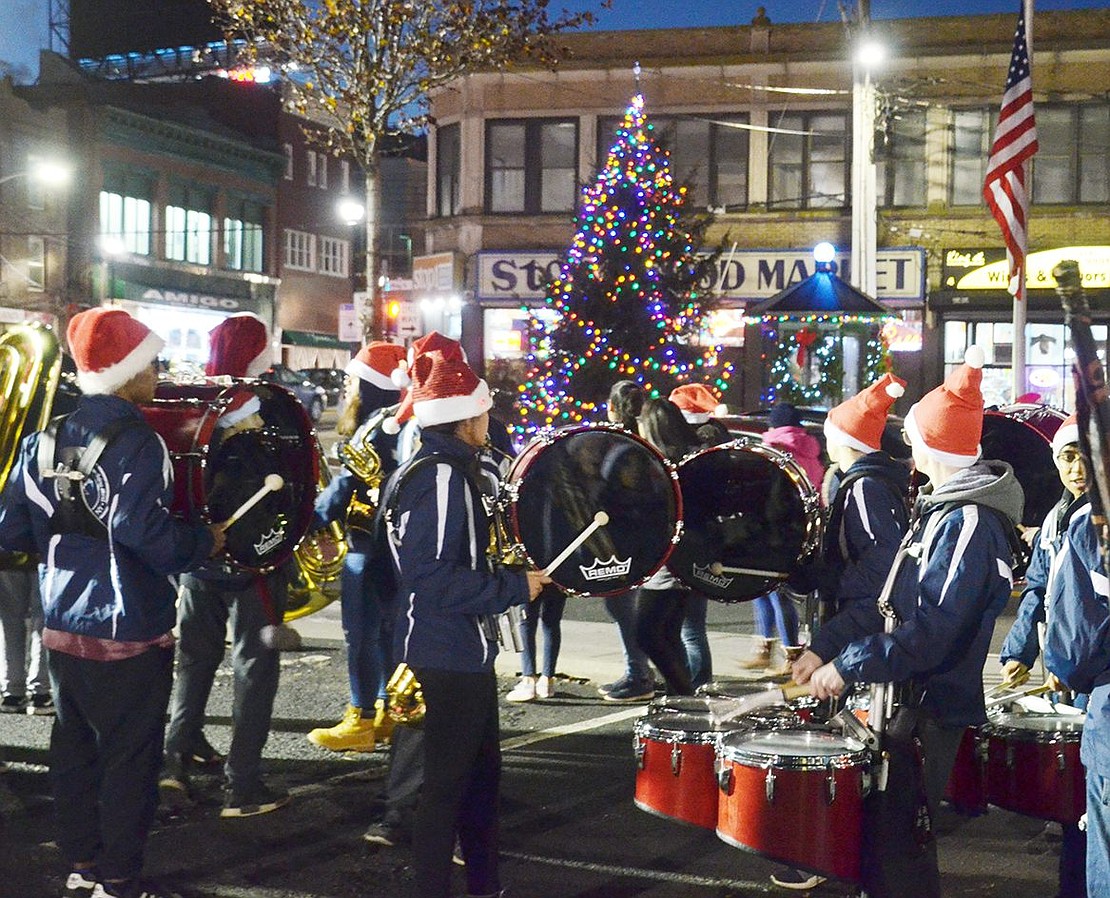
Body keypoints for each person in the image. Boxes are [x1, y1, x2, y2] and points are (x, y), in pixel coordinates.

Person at [0, 307, 223, 898]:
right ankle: (120, 878)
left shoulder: (40, 440)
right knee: (130, 758)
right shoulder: (138, 442)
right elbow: (143, 531)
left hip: (62, 621)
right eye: (150, 365)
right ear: (128, 372)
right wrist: (201, 541)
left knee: (73, 748)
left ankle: (81, 863)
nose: (156, 376)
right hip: (129, 626)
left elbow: (10, 533)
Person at [792, 348, 1023, 898]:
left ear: (934, 443)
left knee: (902, 853)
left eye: (916, 435)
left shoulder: (969, 521)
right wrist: (837, 651)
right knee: (888, 845)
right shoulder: (945, 510)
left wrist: (850, 663)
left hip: (931, 701)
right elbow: (894, 601)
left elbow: (936, 630)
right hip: (908, 695)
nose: (907, 445)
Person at [379, 347, 547, 898]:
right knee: (449, 789)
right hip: (444, 651)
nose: (488, 423)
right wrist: (512, 587)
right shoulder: (444, 476)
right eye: (483, 414)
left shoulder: (444, 468)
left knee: (475, 783)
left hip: (456, 650)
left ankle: (483, 885)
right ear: (466, 415)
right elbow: (431, 576)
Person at [770, 373, 910, 892]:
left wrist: (830, 589)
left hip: (861, 630)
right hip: (854, 628)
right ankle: (836, 854)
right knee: (852, 750)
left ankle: (831, 856)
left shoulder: (868, 487)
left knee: (850, 753)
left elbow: (884, 572)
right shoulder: (865, 481)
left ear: (842, 438)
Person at [161, 313, 294, 818]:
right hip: (252, 564)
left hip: (198, 557)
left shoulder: (196, 410)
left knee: (193, 662)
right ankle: (242, 784)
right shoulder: (260, 413)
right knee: (254, 668)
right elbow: (285, 488)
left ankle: (174, 762)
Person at [998, 412, 1088, 898]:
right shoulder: (1057, 516)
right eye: (1068, 457)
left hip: (1092, 670)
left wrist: (1072, 662)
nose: (1077, 468)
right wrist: (1021, 652)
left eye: (1086, 457)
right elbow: (1037, 588)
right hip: (1067, 665)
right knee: (1076, 772)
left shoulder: (1100, 518)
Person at [307, 341, 407, 752]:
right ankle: (385, 713)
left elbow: (343, 488)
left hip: (366, 548)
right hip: (394, 549)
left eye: (351, 381)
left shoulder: (371, 430)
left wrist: (309, 519)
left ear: (368, 386)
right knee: (386, 633)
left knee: (360, 635)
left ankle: (360, 717)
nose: (346, 389)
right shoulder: (400, 424)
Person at [740, 402, 824, 675]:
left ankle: (789, 653)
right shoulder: (809, 451)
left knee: (774, 590)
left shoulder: (775, 449)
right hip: (800, 526)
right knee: (765, 588)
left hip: (775, 527)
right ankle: (766, 649)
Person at [632, 397, 704, 696]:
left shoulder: (661, 469)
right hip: (688, 562)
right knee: (670, 633)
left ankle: (683, 694)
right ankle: (680, 696)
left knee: (646, 632)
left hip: (665, 564)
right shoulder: (689, 462)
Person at [596, 380, 656, 702]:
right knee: (627, 607)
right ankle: (639, 669)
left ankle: (638, 674)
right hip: (640, 538)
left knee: (622, 606)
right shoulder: (644, 443)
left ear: (613, 408)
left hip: (622, 540)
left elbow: (616, 495)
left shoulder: (622, 448)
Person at [0, 566, 52, 714]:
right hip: (43, 554)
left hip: (8, 554)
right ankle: (40, 692)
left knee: (9, 622)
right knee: (42, 621)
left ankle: (12, 692)